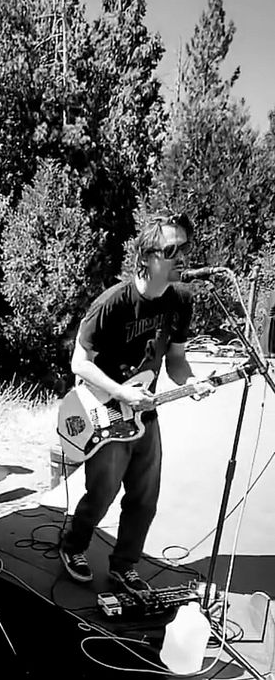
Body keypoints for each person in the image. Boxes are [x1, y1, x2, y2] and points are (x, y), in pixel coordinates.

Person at [59, 211, 212, 593]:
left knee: (145, 497)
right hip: (108, 410)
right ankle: (73, 544)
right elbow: (79, 363)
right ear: (147, 256)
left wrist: (192, 381)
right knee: (104, 491)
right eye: (172, 249)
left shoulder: (180, 300)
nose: (182, 257)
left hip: (146, 413)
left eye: (185, 248)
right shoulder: (112, 303)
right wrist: (122, 391)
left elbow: (176, 360)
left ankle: (125, 564)